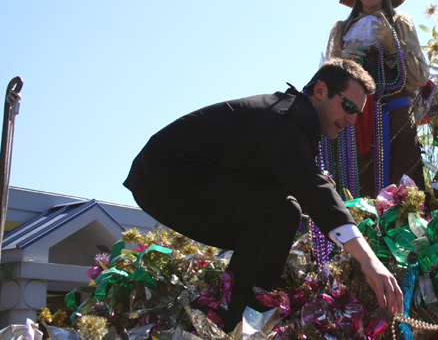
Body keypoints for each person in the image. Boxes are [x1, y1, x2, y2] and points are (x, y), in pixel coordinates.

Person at [123, 59, 403, 330]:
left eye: (358, 113)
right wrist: (368, 260)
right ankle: (230, 321)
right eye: (349, 106)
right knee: (280, 211)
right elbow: (314, 188)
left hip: (169, 180)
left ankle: (242, 314)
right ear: (320, 91)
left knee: (276, 216)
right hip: (166, 175)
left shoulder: (292, 120)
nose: (352, 120)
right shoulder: (287, 117)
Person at [326, 0, 429, 198]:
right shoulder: (341, 29)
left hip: (394, 110)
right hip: (353, 116)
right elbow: (327, 82)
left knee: (402, 172)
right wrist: (342, 61)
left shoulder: (399, 22)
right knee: (355, 176)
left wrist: (393, 46)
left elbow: (419, 77)